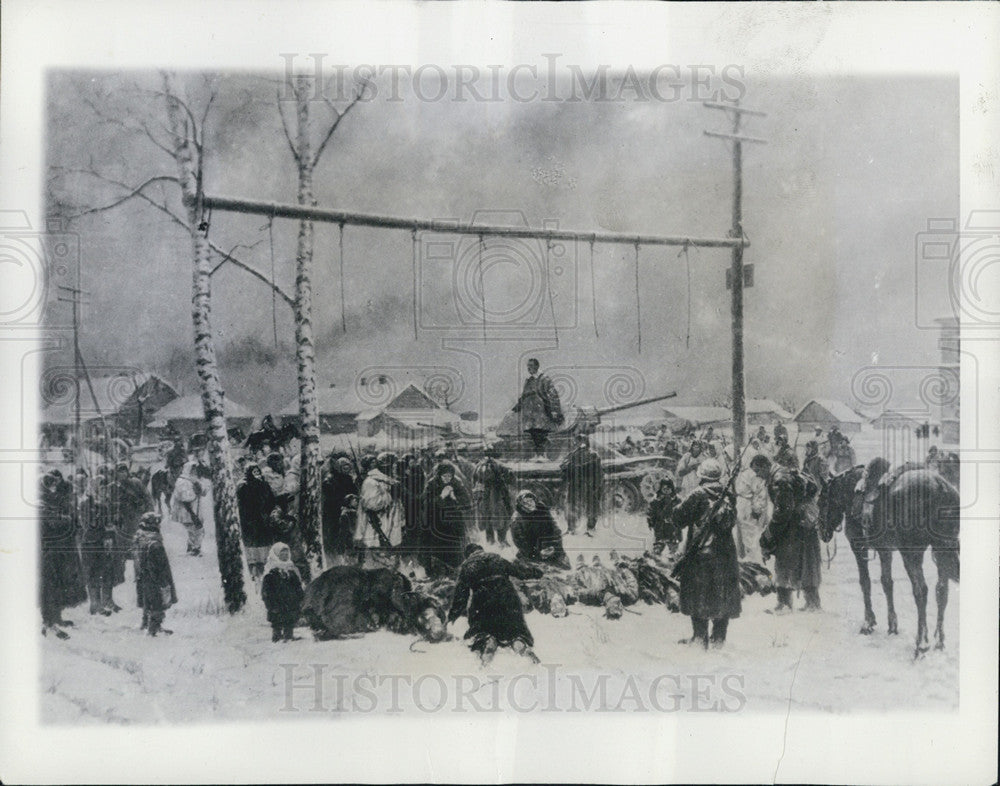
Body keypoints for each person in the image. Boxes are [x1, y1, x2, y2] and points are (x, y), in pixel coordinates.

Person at [672, 459, 741, 648]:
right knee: (722, 592)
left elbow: (678, 518)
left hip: (700, 552)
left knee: (698, 593)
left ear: (701, 475)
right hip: (725, 552)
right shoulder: (729, 494)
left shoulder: (697, 494)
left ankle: (699, 637)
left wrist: (676, 503)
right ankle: (719, 637)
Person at [447, 544, 543, 666]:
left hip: (484, 605)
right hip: (508, 601)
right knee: (515, 631)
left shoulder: (467, 567)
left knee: (482, 631)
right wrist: (537, 572)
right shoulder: (497, 559)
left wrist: (452, 616)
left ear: (468, 555)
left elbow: (460, 597)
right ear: (481, 550)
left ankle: (487, 642)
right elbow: (520, 572)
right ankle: (519, 643)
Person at [753, 454, 822, 613]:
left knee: (784, 562)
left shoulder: (779, 480)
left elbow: (782, 511)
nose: (757, 475)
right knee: (808, 563)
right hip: (804, 524)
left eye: (758, 470)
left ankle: (784, 604)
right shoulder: (783, 473)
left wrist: (768, 535)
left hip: (793, 527)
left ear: (764, 466)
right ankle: (812, 602)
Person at [39, 470, 87, 638]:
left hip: (57, 551)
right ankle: (48, 623)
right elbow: (54, 523)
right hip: (46, 553)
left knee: (58, 585)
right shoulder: (40, 504)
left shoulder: (52, 501)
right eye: (51, 485)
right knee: (48, 588)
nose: (54, 489)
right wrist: (67, 520)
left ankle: (56, 618)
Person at [77, 472, 121, 616]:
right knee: (93, 573)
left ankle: (107, 601)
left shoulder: (105, 502)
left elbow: (110, 522)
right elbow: (88, 524)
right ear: (95, 487)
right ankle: (95, 604)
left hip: (106, 542)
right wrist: (104, 523)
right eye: (102, 488)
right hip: (91, 543)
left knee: (108, 572)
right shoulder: (85, 502)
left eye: (105, 488)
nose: (105, 491)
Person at [418, 461, 472, 575]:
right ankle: (434, 571)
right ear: (439, 475)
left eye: (450, 476)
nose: (447, 478)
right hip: (436, 521)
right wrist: (441, 496)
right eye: (444, 476)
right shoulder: (432, 484)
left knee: (454, 549)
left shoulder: (457, 483)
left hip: (453, 522)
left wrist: (454, 498)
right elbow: (425, 503)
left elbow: (467, 503)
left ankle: (454, 571)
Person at [133, 512, 177, 636]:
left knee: (147, 601)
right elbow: (160, 566)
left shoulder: (140, 538)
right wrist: (164, 581)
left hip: (143, 577)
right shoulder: (155, 544)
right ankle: (154, 628)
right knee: (157, 602)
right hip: (155, 578)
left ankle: (146, 624)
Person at [511, 358, 564, 459]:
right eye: (528, 366)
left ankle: (542, 455)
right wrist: (517, 407)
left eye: (531, 365)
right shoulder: (529, 380)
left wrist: (554, 411)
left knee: (541, 433)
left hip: (542, 413)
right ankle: (538, 454)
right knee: (533, 433)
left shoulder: (544, 379)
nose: (529, 368)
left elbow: (553, 395)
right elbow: (524, 395)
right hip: (530, 414)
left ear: (537, 366)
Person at [237, 463, 278, 584]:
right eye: (254, 473)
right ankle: (254, 572)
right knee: (253, 547)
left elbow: (271, 501)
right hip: (250, 521)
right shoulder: (244, 486)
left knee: (264, 545)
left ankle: (265, 570)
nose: (258, 475)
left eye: (258, 472)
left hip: (263, 520)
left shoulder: (264, 485)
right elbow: (243, 506)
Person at [510, 490, 570, 569]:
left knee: (565, 567)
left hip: (549, 547)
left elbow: (555, 530)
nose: (529, 504)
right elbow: (521, 542)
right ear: (521, 505)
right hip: (530, 552)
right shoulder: (517, 519)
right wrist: (538, 553)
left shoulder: (542, 510)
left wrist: (554, 547)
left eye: (531, 501)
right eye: (525, 502)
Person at [261, 542, 305, 643]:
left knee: (289, 622)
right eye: (282, 553)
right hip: (276, 605)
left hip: (290, 604)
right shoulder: (270, 573)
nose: (285, 555)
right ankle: (277, 638)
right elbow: (266, 592)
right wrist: (270, 605)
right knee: (277, 623)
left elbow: (297, 586)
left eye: (286, 553)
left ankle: (289, 636)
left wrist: (300, 598)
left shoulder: (291, 570)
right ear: (276, 554)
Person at [560, 434, 603, 536]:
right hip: (577, 484)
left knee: (590, 507)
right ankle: (572, 528)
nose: (577, 443)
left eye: (579, 441)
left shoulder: (593, 455)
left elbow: (599, 472)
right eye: (577, 441)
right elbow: (564, 468)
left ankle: (589, 529)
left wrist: (596, 486)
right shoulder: (574, 454)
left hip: (588, 484)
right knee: (572, 506)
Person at [471, 445, 514, 545]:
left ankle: (497, 540)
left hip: (492, 495)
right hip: (491, 496)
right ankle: (496, 541)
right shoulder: (487, 466)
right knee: (493, 518)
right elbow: (475, 481)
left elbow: (474, 481)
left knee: (494, 518)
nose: (488, 457)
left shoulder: (483, 465)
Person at [321, 456, 358, 561]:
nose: (347, 470)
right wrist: (343, 500)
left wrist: (351, 498)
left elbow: (353, 491)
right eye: (344, 468)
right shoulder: (330, 478)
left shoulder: (349, 478)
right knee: (335, 531)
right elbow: (330, 494)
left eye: (348, 468)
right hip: (333, 509)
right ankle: (335, 553)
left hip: (346, 507)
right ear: (339, 467)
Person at [355, 467, 400, 551]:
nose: (393, 467)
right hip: (375, 515)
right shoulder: (371, 482)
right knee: (374, 543)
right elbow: (371, 503)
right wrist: (386, 501)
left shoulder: (386, 479)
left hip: (385, 514)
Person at [170, 460, 206, 556]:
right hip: (187, 510)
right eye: (192, 469)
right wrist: (196, 491)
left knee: (196, 529)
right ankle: (194, 549)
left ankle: (193, 548)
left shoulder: (194, 479)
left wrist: (198, 486)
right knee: (194, 529)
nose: (194, 471)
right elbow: (185, 498)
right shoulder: (181, 481)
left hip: (195, 509)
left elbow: (204, 491)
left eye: (195, 469)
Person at [646, 477, 680, 556]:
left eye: (669, 488)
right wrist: (650, 522)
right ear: (660, 488)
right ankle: (656, 557)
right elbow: (650, 512)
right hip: (660, 527)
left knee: (673, 545)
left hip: (673, 527)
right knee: (658, 545)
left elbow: (682, 511)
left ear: (672, 488)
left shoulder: (677, 500)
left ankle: (673, 556)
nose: (666, 490)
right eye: (664, 488)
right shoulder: (655, 500)